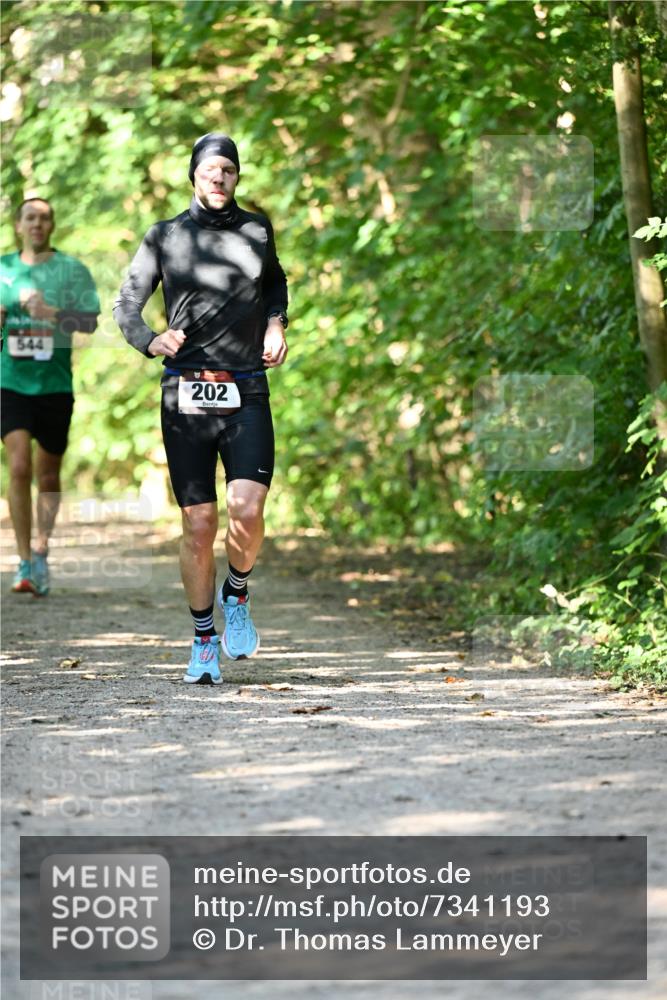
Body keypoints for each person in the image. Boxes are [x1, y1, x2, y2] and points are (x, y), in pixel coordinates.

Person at [113, 133, 289, 685]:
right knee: (199, 523)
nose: (219, 178)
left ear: (237, 178)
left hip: (247, 386)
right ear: (194, 174)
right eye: (211, 169)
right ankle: (203, 639)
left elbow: (276, 282)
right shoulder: (165, 235)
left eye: (229, 171)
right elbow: (126, 303)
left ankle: (236, 594)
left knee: (247, 509)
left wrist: (276, 322)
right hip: (185, 391)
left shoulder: (257, 229)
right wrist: (148, 339)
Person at [1, 197, 100, 596]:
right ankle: (23, 561)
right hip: (9, 382)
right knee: (20, 465)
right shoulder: (3, 269)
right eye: (30, 218)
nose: (37, 224)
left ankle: (42, 549)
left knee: (47, 474)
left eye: (44, 218)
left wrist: (53, 314)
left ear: (52, 226)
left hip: (55, 385)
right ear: (19, 225)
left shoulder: (71, 269)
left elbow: (90, 322)